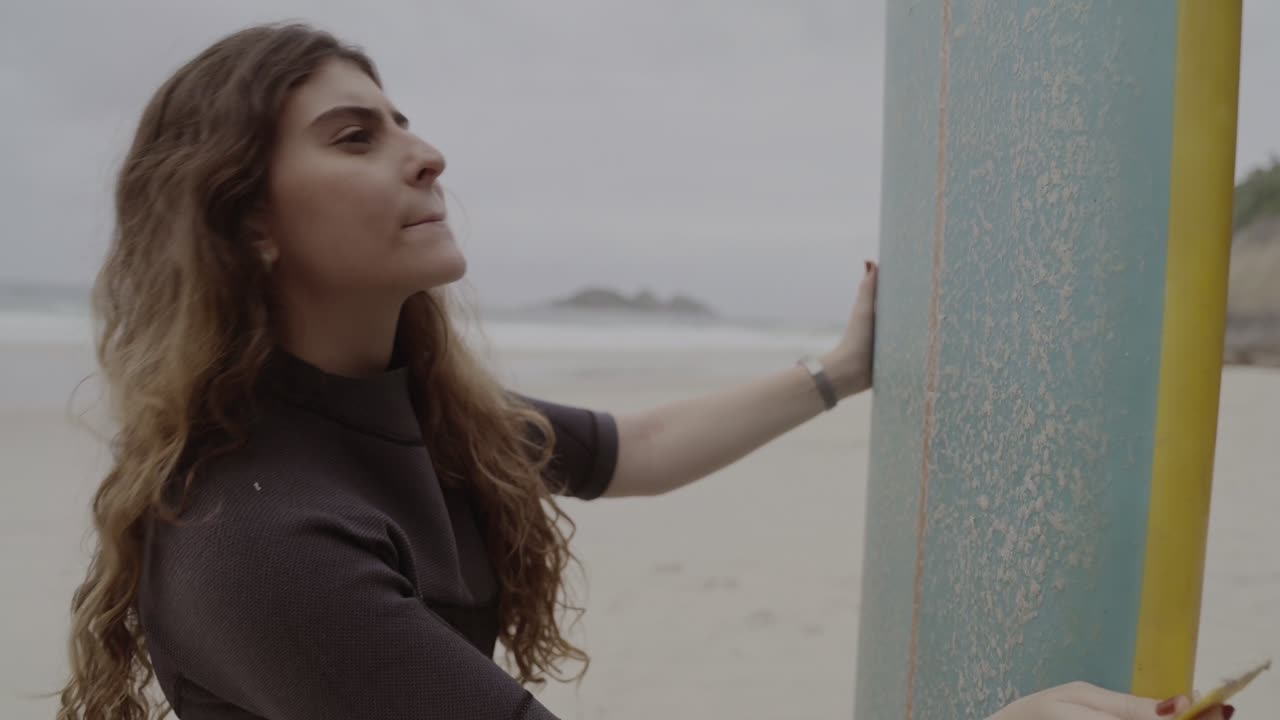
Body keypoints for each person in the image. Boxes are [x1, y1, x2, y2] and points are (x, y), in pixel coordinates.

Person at [55, 22, 1229, 720]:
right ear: (246, 222)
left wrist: (840, 370)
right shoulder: (261, 541)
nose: (426, 153)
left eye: (402, 120)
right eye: (355, 137)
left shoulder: (421, 413)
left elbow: (631, 450)